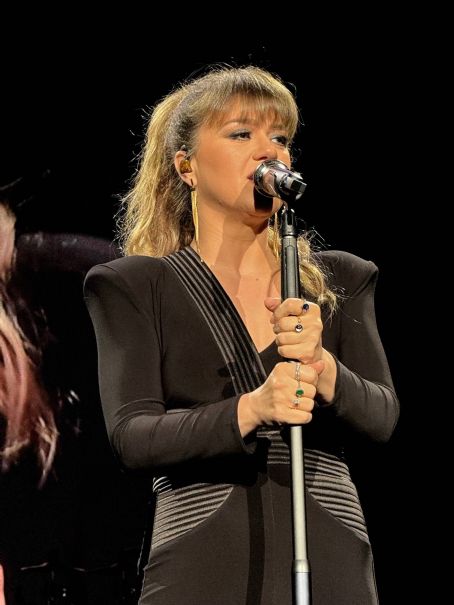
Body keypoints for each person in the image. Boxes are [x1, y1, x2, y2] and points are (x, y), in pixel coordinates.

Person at [84, 65, 399, 605]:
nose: (268, 151)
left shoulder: (342, 279)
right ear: (186, 167)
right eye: (241, 134)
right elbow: (132, 436)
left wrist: (324, 369)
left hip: (328, 555)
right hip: (203, 556)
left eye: (280, 137)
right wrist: (250, 409)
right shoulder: (135, 285)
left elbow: (383, 417)